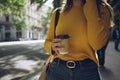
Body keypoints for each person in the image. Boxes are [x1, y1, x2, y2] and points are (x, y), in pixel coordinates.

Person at [44, 0, 113, 80]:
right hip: (58, 70)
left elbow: (96, 44)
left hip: (87, 72)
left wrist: (91, 4)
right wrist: (52, 47)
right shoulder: (58, 13)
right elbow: (47, 41)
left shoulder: (102, 10)